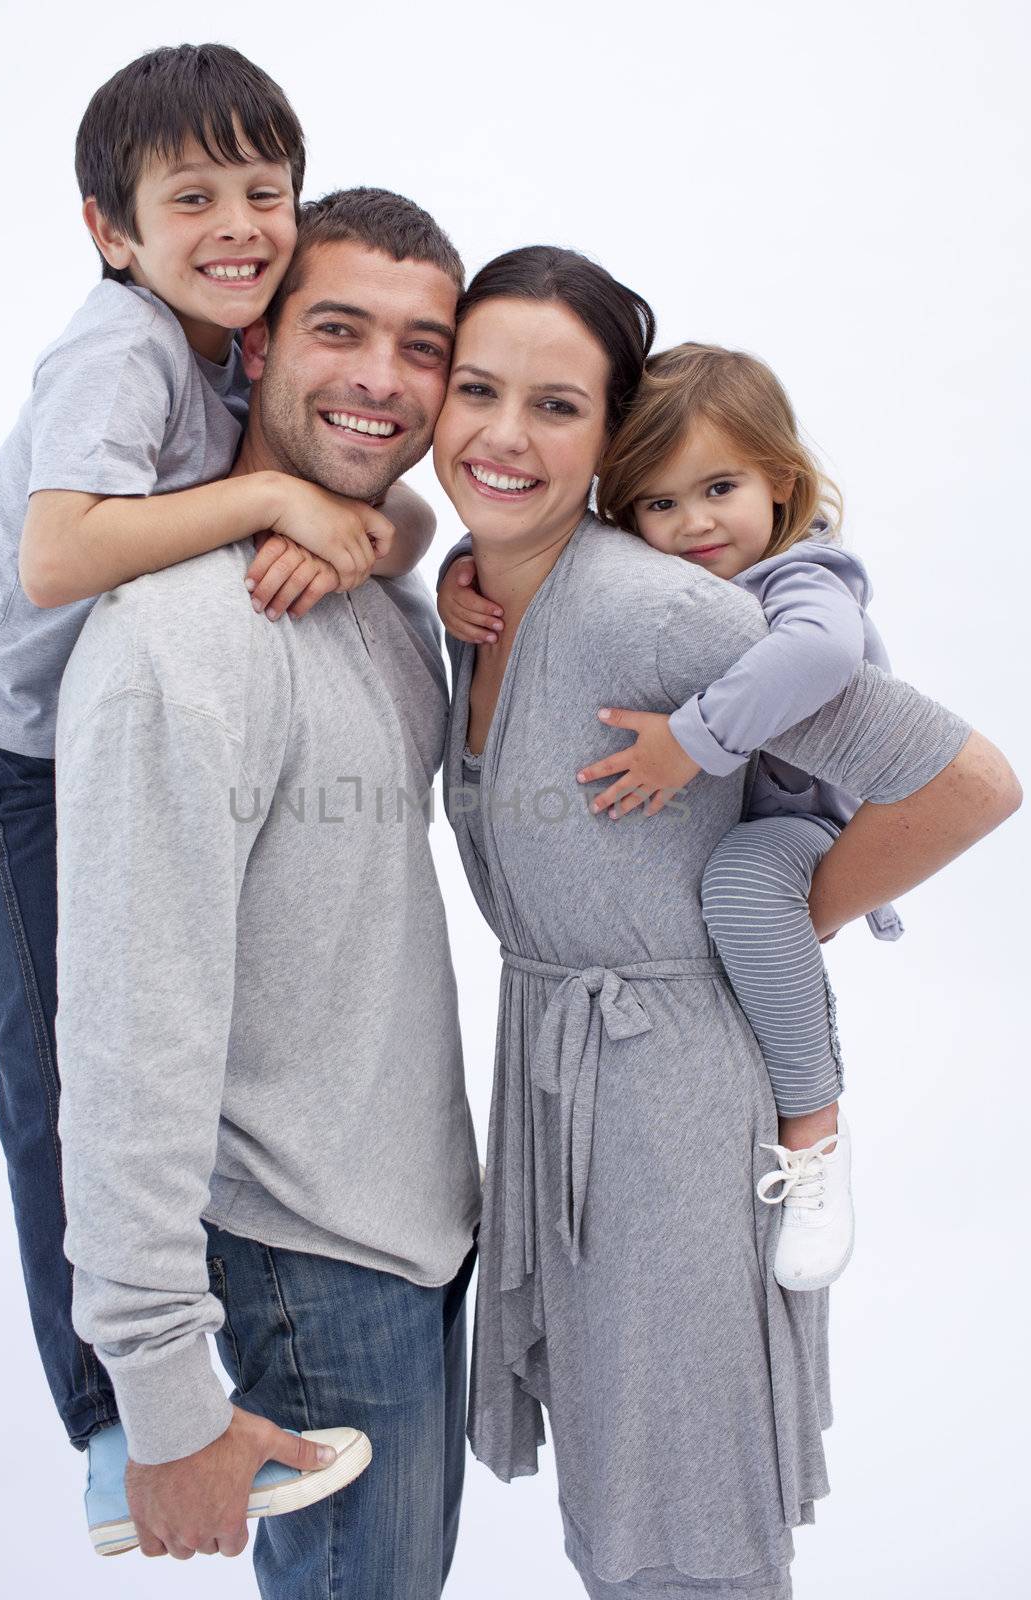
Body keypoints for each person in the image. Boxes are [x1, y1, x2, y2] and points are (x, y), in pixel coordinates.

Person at [427, 245, 1019, 1598]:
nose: (505, 435)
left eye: (558, 405)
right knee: (622, 1486)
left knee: (682, 1508)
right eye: (476, 388)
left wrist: (760, 919)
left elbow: (966, 785)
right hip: (565, 1075)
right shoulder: (484, 596)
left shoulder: (659, 608)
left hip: (671, 1100)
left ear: (601, 433)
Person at [0, 40, 433, 1508]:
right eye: (189, 196)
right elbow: (61, 550)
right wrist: (263, 496)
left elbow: (383, 504)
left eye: (264, 192)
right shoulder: (116, 347)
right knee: (60, 1053)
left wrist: (350, 530)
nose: (237, 227)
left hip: (94, 722)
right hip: (2, 745)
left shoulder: (242, 338)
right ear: (110, 231)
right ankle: (111, 1425)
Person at [55, 189, 481, 1597]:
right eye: (337, 329)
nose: (380, 379)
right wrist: (164, 1393)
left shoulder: (369, 589)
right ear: (255, 343)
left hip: (411, 1233)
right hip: (302, 1261)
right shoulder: (180, 634)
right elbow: (128, 1027)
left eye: (422, 348)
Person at [441, 340, 889, 1295]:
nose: (693, 524)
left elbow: (820, 658)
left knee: (736, 880)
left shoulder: (800, 578)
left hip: (807, 822)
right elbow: (529, 541)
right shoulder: (659, 588)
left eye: (719, 488)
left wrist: (690, 741)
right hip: (712, 863)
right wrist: (457, 571)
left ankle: (814, 1127)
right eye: (658, 503)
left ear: (780, 480)